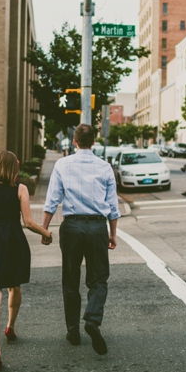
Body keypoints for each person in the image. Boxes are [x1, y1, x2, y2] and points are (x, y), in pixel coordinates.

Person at [0, 151, 53, 371]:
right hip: (14, 240)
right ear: (13, 169)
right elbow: (27, 222)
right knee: (14, 286)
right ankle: (10, 326)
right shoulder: (20, 189)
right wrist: (46, 233)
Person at [42, 124, 120, 356]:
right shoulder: (105, 167)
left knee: (70, 280)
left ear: (74, 142)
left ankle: (73, 331)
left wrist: (44, 229)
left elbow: (52, 200)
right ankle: (93, 320)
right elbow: (113, 207)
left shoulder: (62, 165)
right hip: (97, 226)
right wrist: (112, 233)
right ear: (93, 142)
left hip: (72, 227)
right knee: (98, 279)